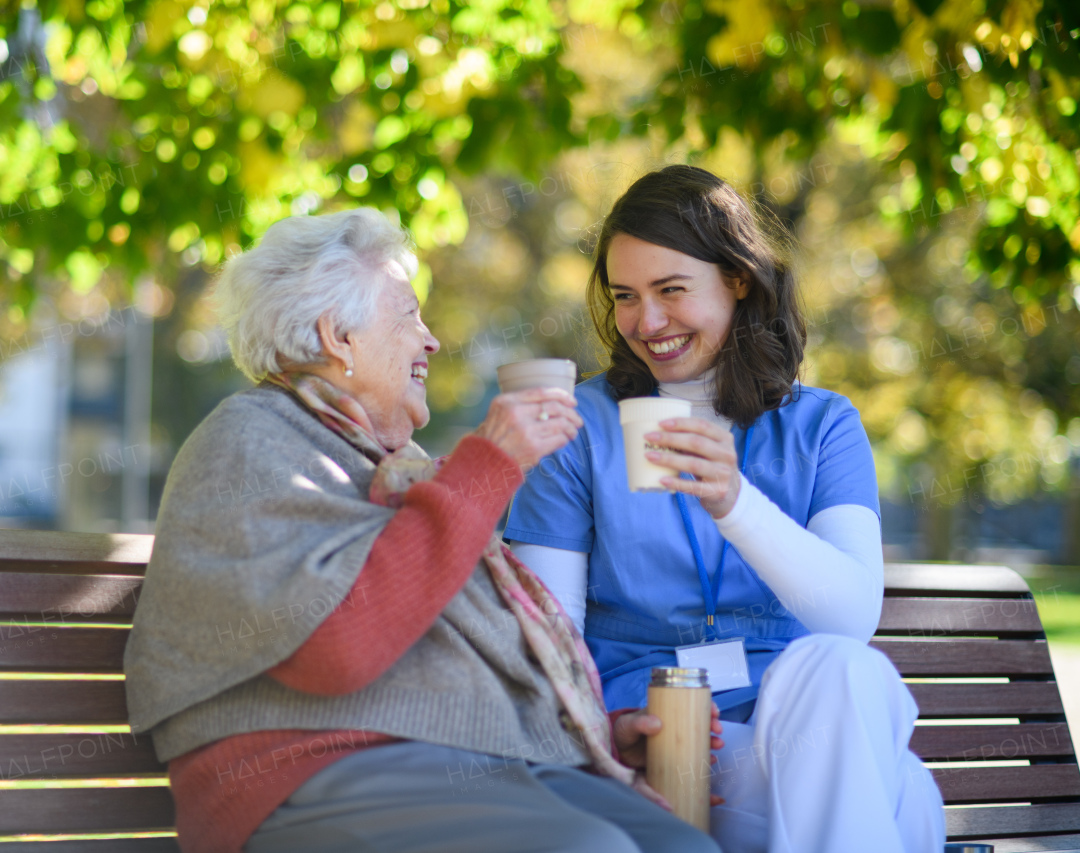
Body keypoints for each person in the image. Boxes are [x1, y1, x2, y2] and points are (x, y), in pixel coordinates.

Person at [123, 207, 723, 853]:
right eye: (408, 315)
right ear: (338, 336)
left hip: (465, 767)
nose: (430, 340)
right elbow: (339, 648)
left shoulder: (381, 465)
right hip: (307, 775)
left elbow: (435, 663)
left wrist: (591, 734)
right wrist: (488, 467)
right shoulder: (249, 441)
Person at [504, 165, 947, 853]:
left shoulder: (822, 426)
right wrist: (610, 733)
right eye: (626, 296)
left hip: (806, 721)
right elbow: (550, 644)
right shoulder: (576, 430)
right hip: (668, 743)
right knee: (905, 796)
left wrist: (735, 504)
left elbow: (852, 619)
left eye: (671, 289)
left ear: (738, 278)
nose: (646, 323)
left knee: (842, 668)